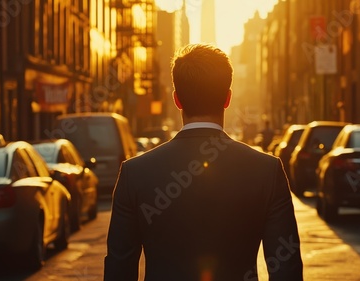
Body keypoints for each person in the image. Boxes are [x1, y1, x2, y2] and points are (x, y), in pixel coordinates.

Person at [104, 43, 303, 281]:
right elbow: (286, 271)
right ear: (227, 98)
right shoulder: (267, 171)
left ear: (177, 100)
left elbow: (119, 270)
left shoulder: (134, 173)